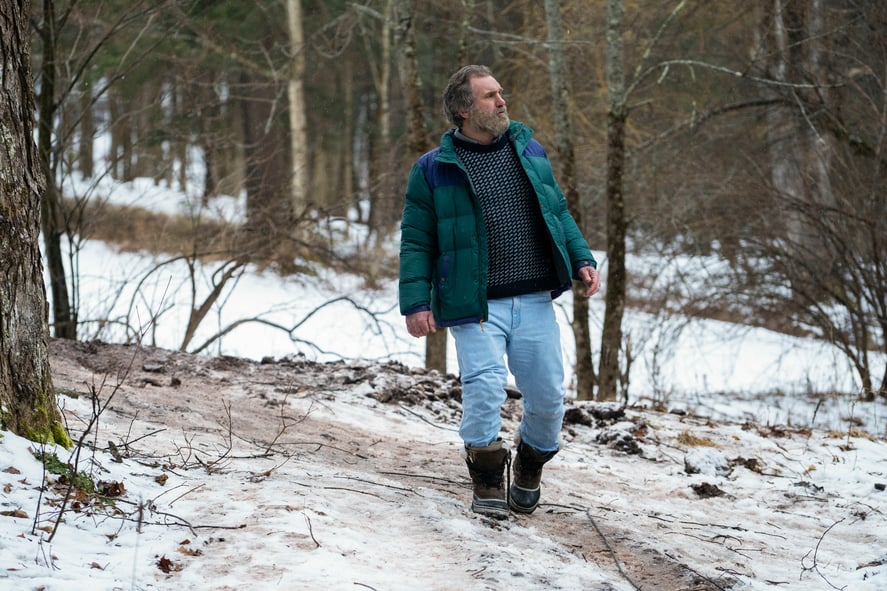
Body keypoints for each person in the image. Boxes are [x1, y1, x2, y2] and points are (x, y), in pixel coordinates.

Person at [398, 65, 600, 519]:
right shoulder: (433, 169)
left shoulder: (529, 151)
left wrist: (581, 258)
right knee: (485, 387)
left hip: (532, 299)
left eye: (501, 93)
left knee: (548, 395)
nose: (502, 101)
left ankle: (531, 463)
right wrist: (414, 302)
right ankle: (487, 477)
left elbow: (558, 212)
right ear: (465, 110)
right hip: (474, 304)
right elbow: (416, 239)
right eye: (490, 96)